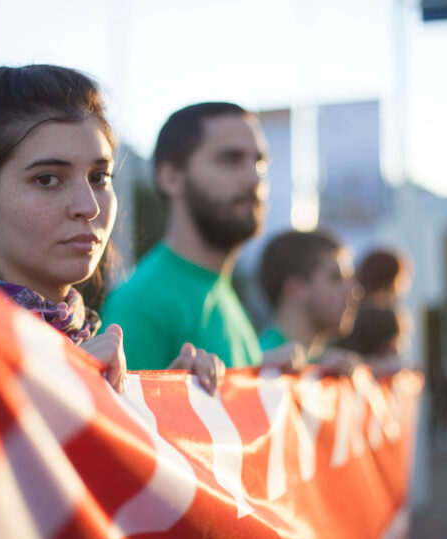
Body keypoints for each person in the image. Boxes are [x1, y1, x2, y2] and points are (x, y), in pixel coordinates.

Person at [0, 65, 222, 539]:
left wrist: (179, 420)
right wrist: (71, 390)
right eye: (48, 179)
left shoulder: (88, 350)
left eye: (100, 176)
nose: (88, 204)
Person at [102, 102, 302, 373]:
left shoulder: (220, 289)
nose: (254, 178)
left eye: (260, 162)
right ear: (171, 178)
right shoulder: (142, 304)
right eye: (230, 160)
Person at [257, 230, 356, 362]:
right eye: (336, 278)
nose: (352, 291)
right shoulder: (257, 362)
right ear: (295, 288)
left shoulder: (323, 364)